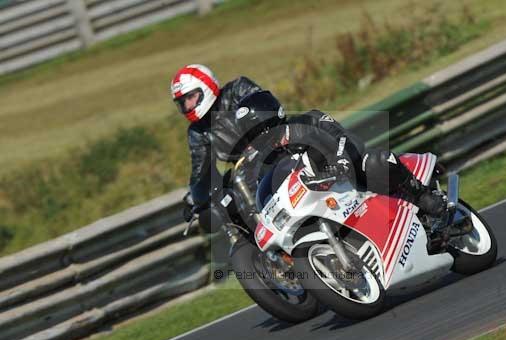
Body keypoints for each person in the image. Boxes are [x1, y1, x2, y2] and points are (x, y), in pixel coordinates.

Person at [170, 64, 446, 224]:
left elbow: (263, 103)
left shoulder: (236, 89)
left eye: (189, 98)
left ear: (205, 87)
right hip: (257, 169)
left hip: (281, 140)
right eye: (181, 102)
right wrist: (195, 197)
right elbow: (200, 168)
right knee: (245, 206)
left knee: (362, 162)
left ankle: (421, 195)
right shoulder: (197, 132)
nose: (186, 106)